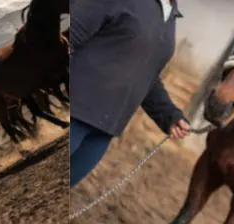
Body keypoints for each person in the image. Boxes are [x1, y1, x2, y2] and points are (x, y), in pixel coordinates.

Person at [70, 0, 192, 187]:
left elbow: (147, 75)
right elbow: (69, 35)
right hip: (73, 114)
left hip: (103, 131)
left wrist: (169, 116)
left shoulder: (170, 13)